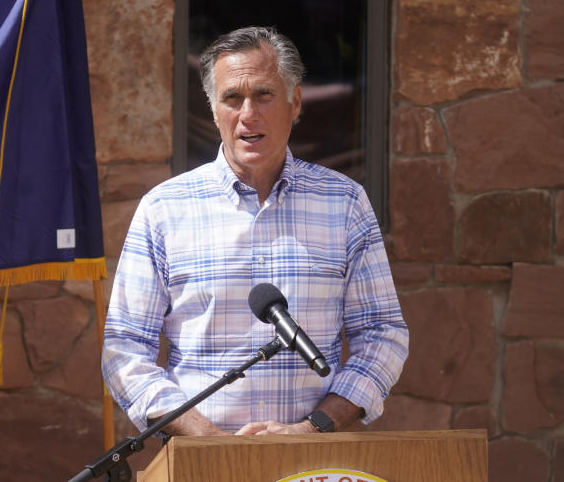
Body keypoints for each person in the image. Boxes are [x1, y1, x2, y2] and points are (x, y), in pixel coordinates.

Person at [102, 26, 408, 437]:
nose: (248, 114)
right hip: (200, 467)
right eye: (232, 98)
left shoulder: (345, 203)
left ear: (294, 102)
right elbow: (124, 350)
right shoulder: (164, 209)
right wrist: (207, 438)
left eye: (264, 94)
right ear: (213, 110)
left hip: (310, 463)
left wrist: (314, 427)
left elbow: (381, 335)